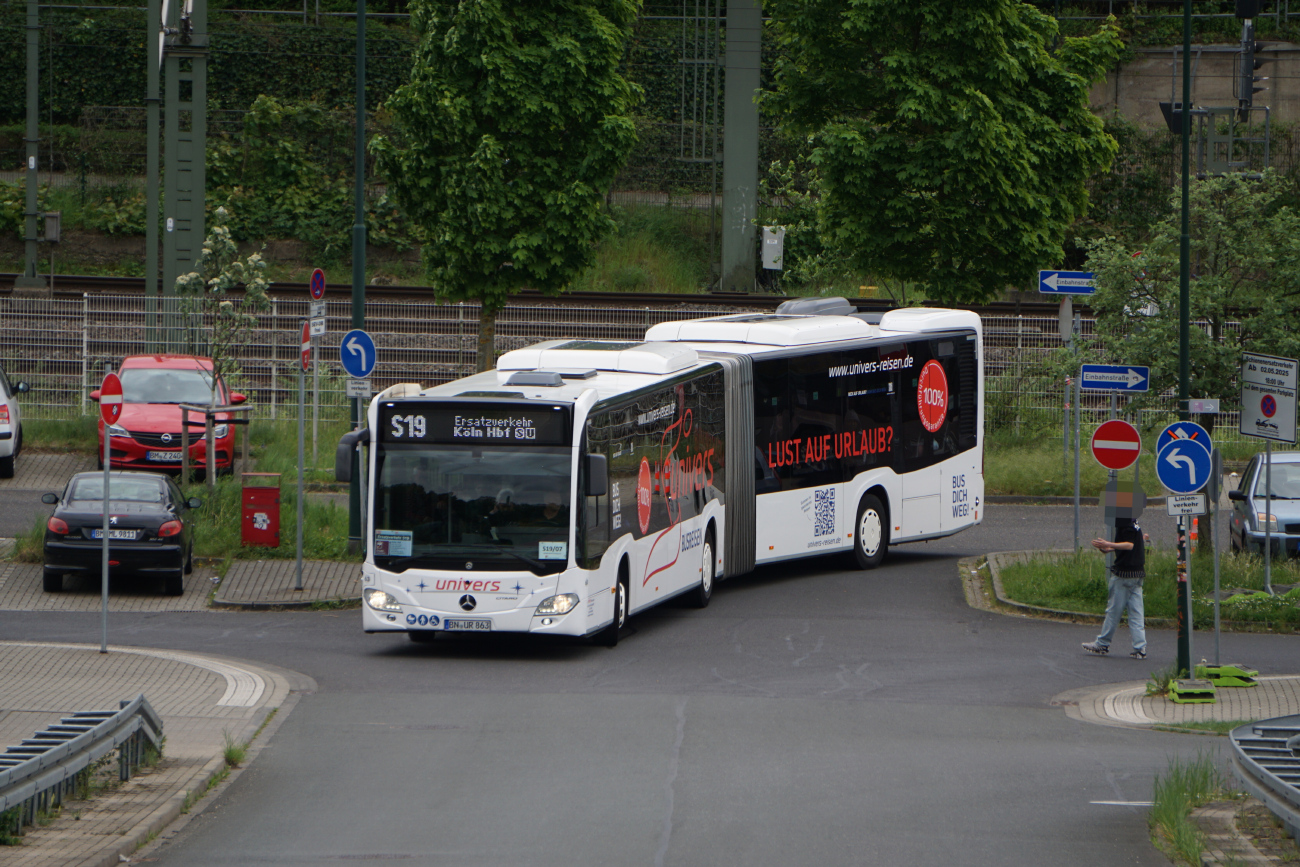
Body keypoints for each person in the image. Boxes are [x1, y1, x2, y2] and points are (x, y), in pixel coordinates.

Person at [1082, 517, 1147, 659]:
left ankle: (1102, 643)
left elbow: (1129, 545)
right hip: (1138, 573)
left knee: (1113, 611)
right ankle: (1140, 648)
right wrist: (1110, 549)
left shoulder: (1125, 522)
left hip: (1123, 574)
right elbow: (1133, 544)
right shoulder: (1134, 522)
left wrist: (1108, 543)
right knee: (1136, 613)